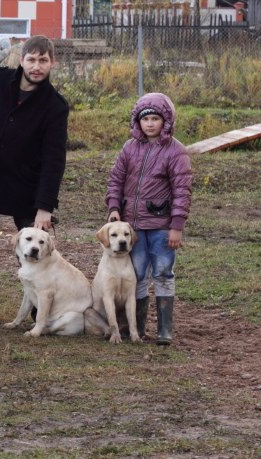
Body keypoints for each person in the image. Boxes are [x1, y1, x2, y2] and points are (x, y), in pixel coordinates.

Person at [0, 35, 68, 333]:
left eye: (43, 60)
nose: (36, 66)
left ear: (52, 63)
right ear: (21, 60)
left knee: (41, 249)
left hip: (26, 188)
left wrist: (44, 207)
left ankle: (40, 315)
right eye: (31, 59)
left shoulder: (56, 106)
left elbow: (54, 159)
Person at [106, 93, 191, 346]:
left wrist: (176, 226)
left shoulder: (176, 151)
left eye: (156, 118)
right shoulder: (129, 147)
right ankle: (136, 327)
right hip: (133, 227)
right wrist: (114, 207)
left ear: (166, 121)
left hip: (162, 227)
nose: (151, 124)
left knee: (164, 273)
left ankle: (165, 329)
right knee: (138, 274)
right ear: (138, 121)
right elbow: (116, 180)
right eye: (146, 119)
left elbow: (182, 192)